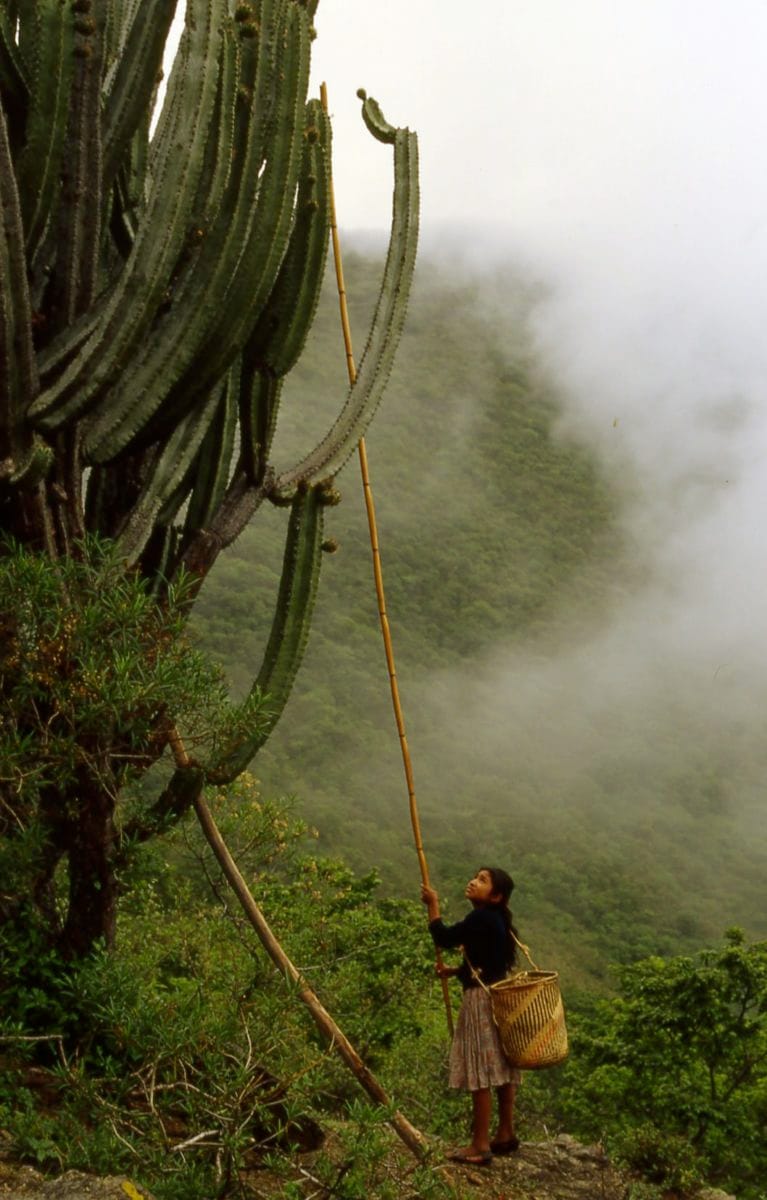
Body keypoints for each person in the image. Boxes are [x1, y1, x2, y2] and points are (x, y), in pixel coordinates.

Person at [421, 866, 521, 1167]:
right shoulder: (496, 920)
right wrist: (454, 972)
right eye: (476, 877)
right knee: (502, 1068)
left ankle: (479, 1144)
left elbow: (445, 938)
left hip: (480, 1002)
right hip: (497, 995)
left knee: (481, 1073)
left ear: (496, 896)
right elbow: (485, 962)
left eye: (482, 881)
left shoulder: (481, 917)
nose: (473, 882)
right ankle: (504, 1132)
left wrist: (433, 905)